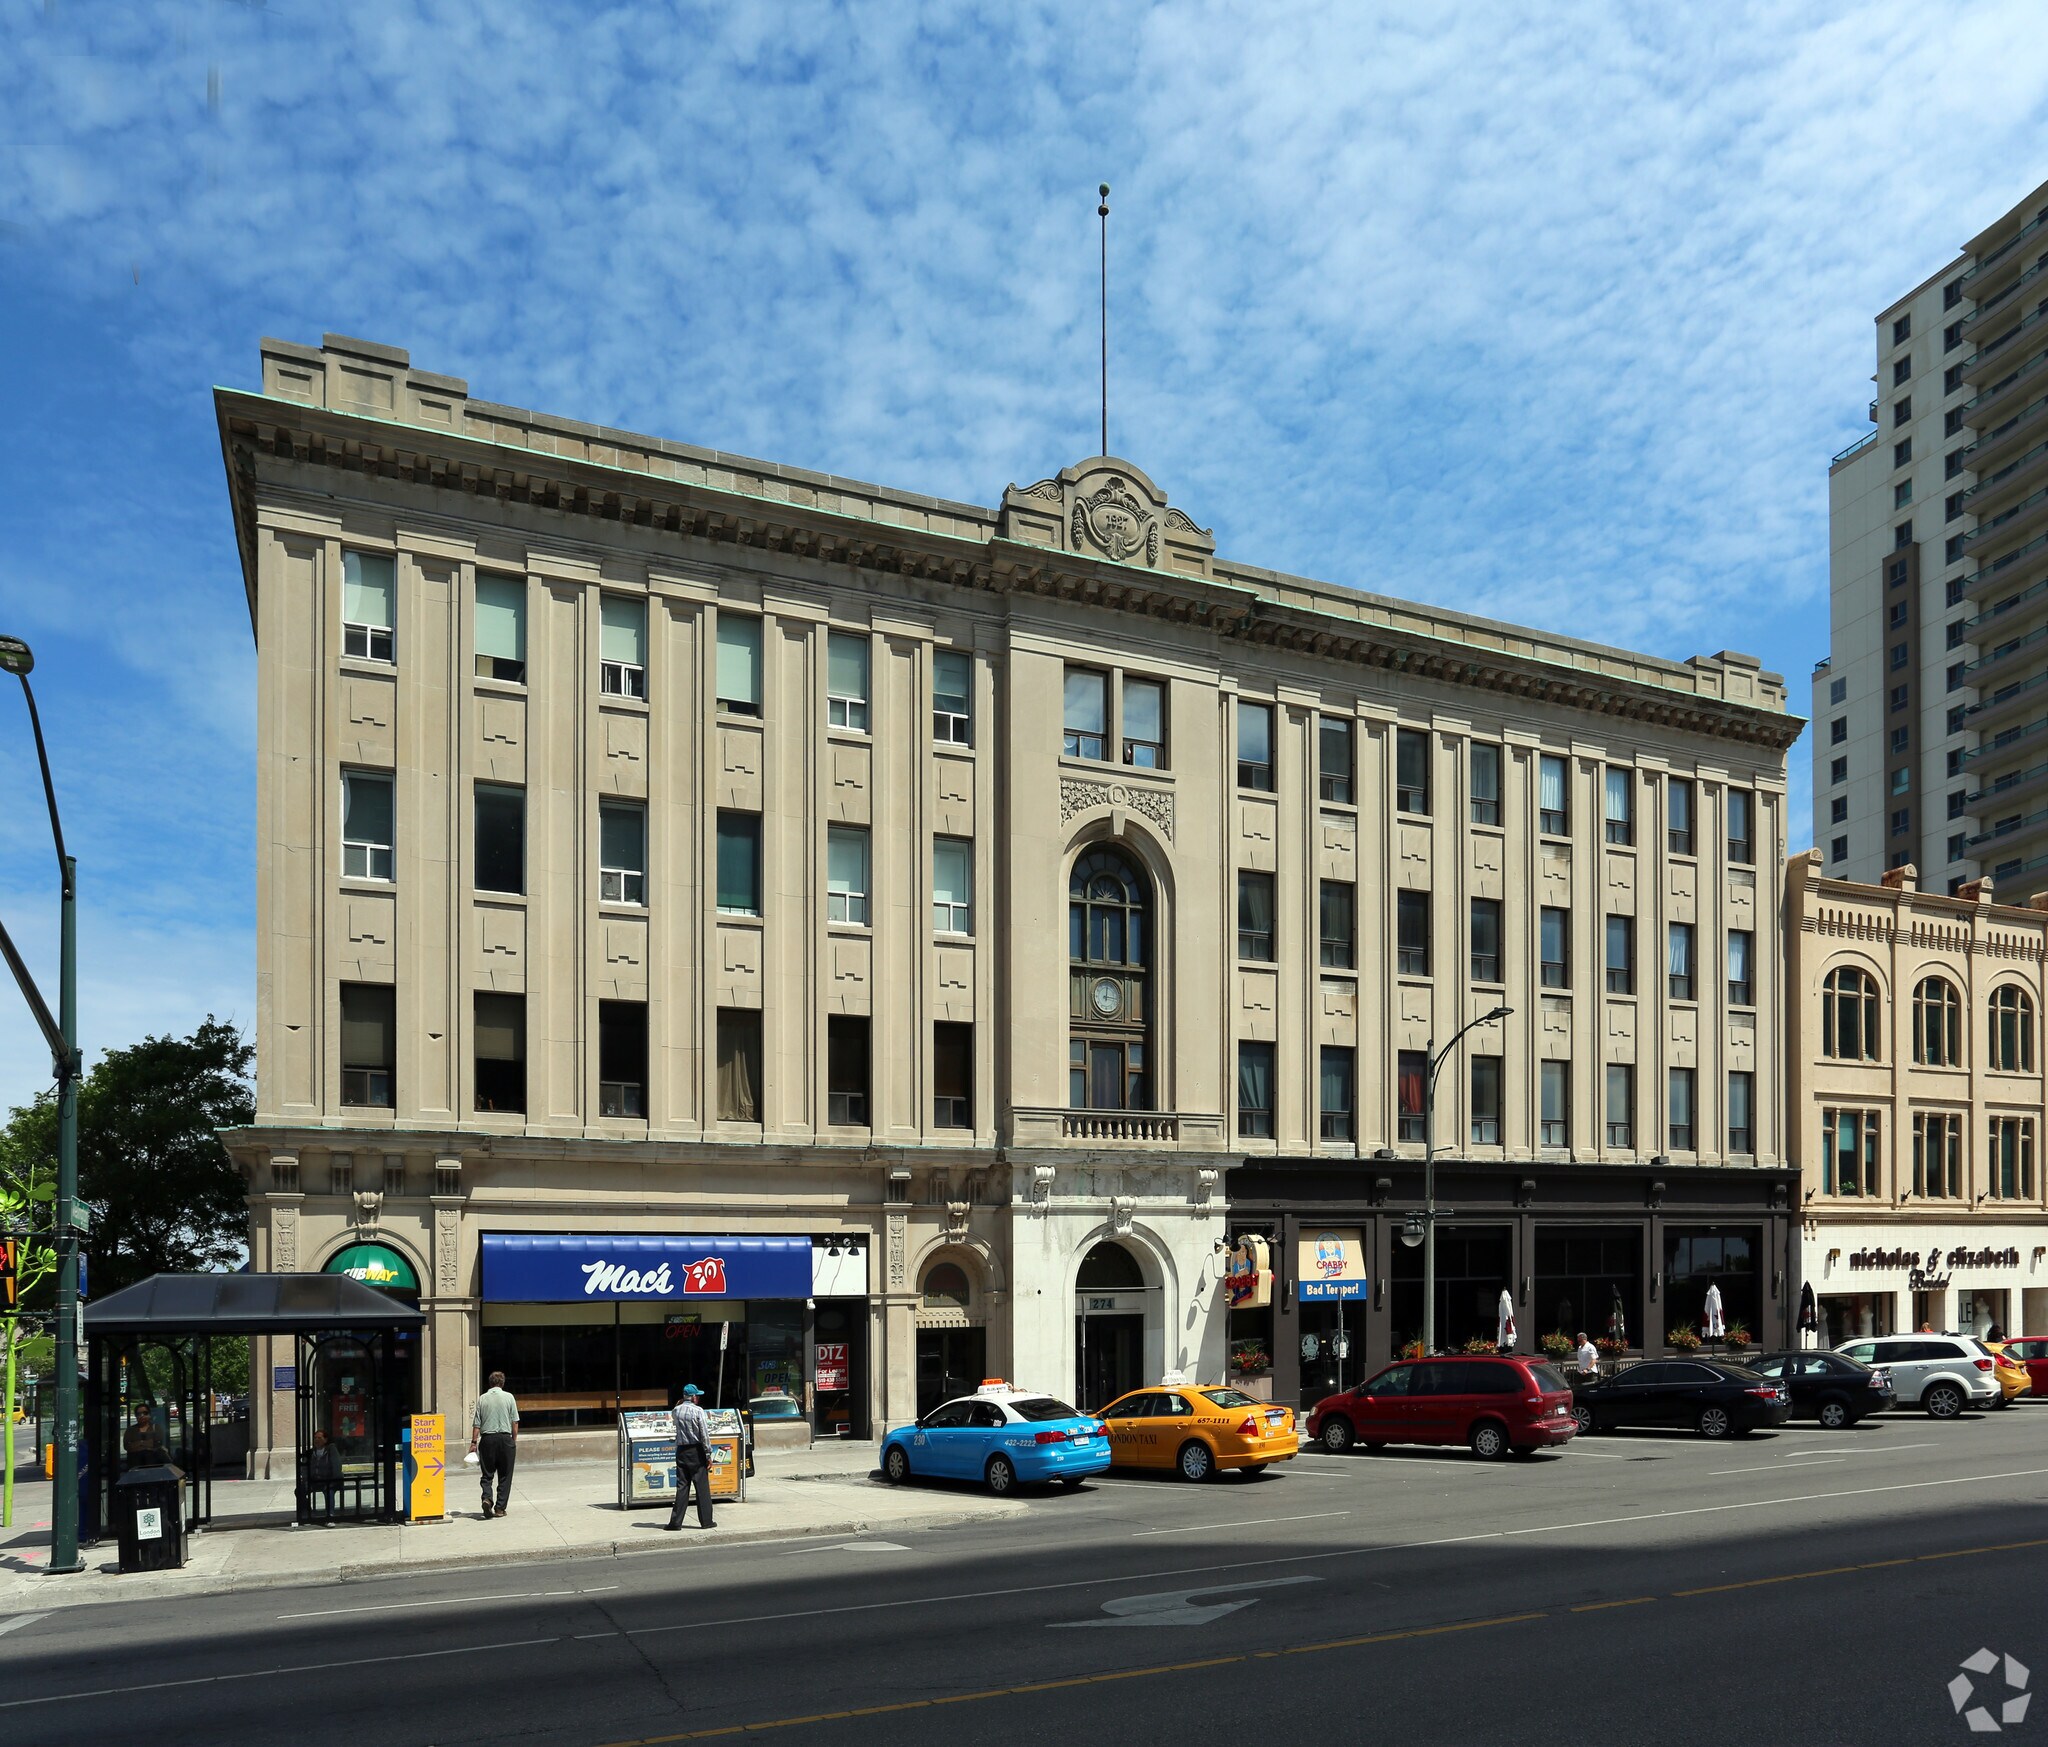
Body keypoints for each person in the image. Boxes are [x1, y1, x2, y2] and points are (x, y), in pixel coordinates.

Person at [663, 1383, 715, 1531]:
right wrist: (708, 1454)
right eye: (697, 1396)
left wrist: (679, 1404)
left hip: (681, 1451)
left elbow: (674, 1418)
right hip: (696, 1450)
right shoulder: (698, 1411)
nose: (698, 1398)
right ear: (692, 1397)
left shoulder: (676, 1410)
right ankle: (706, 1521)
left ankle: (675, 1523)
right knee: (702, 1487)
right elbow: (704, 1434)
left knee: (682, 1487)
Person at [469, 1370, 520, 1519]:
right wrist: (513, 1440)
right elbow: (515, 1422)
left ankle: (487, 1498)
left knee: (487, 1474)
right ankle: (500, 1508)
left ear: (490, 1383)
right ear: (502, 1383)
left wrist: (473, 1442)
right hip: (505, 1439)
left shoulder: (482, 1398)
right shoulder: (509, 1397)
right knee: (505, 1475)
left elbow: (477, 1424)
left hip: (487, 1440)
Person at [307, 1427, 341, 1522]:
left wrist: (332, 1482)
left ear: (325, 1440)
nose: (316, 1440)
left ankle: (330, 1516)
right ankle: (306, 1513)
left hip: (329, 1481)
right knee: (299, 1491)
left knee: (329, 1492)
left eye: (319, 1438)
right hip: (315, 1480)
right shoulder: (311, 1452)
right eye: (315, 1438)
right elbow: (305, 1467)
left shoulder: (331, 1450)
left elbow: (337, 1466)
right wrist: (306, 1479)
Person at [123, 1403, 167, 1468]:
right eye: (139, 1414)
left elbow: (157, 1444)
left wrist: (138, 1444)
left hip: (153, 1465)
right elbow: (127, 1446)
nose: (142, 1416)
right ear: (136, 1416)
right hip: (135, 1465)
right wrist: (146, 1444)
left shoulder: (156, 1427)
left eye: (145, 1413)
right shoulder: (131, 1430)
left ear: (149, 1414)